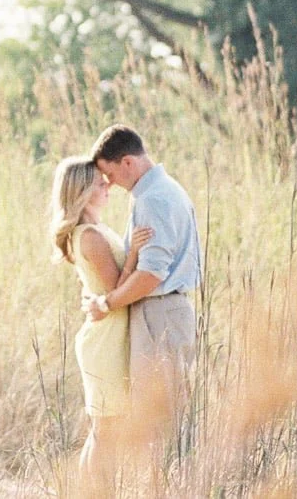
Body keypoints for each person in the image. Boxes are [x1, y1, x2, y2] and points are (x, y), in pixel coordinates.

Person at [81, 124, 203, 450]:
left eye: (109, 174)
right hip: (167, 312)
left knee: (159, 421)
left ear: (128, 163)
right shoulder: (164, 190)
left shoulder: (153, 199)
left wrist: (107, 303)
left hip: (159, 313)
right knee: (168, 417)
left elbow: (151, 275)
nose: (110, 184)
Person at [49, 155, 152, 484]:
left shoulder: (96, 230)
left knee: (107, 430)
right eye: (98, 182)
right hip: (104, 340)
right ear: (82, 192)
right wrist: (134, 252)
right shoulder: (89, 235)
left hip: (109, 333)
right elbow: (115, 290)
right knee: (105, 432)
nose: (107, 185)